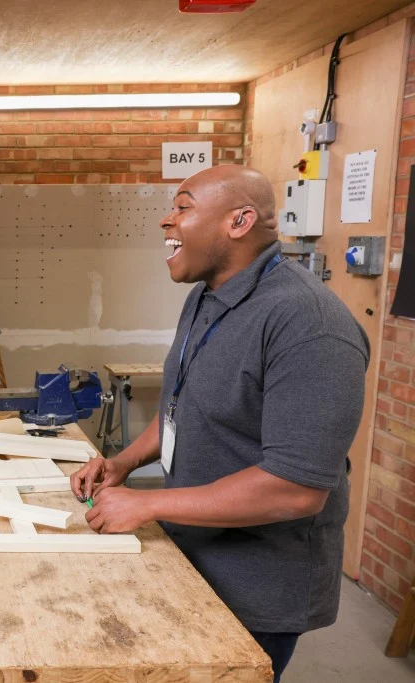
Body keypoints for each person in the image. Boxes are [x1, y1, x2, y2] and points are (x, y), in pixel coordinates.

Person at [71, 165, 369, 683]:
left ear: (239, 222)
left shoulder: (309, 325)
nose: (166, 220)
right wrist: (123, 464)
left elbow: (296, 490)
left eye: (183, 207)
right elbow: (182, 406)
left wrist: (147, 504)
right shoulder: (208, 296)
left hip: (257, 586)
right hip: (194, 556)